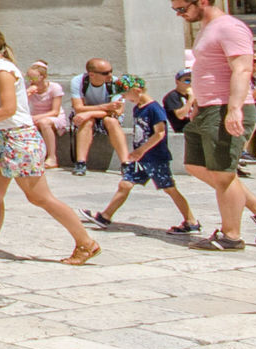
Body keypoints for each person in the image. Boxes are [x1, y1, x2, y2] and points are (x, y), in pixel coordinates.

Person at [0, 27, 99, 265]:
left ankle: (86, 243)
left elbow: (9, 109)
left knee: (40, 197)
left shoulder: (4, 71)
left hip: (18, 138)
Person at [170, 0, 256, 253]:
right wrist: (198, 101)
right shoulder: (207, 28)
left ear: (202, 2)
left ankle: (231, 236)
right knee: (196, 166)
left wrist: (234, 108)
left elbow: (243, 70)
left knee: (223, 174)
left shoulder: (230, 27)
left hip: (225, 107)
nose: (179, 14)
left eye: (181, 8)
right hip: (209, 107)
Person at [84, 76, 198, 237]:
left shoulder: (154, 109)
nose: (124, 97)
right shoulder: (138, 107)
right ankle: (105, 217)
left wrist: (141, 150)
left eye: (125, 94)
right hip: (141, 158)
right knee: (125, 184)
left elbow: (159, 133)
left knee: (169, 188)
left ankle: (191, 221)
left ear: (136, 91)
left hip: (155, 157)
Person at [67, 58, 130, 170]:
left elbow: (118, 111)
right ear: (91, 74)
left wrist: (89, 113)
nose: (110, 75)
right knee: (86, 122)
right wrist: (104, 107)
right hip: (92, 114)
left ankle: (125, 163)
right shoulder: (78, 81)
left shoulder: (116, 83)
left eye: (111, 71)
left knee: (111, 121)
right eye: (105, 73)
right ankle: (80, 162)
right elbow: (78, 108)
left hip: (106, 116)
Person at [23, 63, 68, 168]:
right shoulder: (28, 88)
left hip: (53, 117)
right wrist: (26, 94)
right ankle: (31, 157)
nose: (30, 80)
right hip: (35, 115)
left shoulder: (54, 88)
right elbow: (20, 106)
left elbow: (55, 111)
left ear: (42, 77)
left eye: (33, 77)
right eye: (28, 77)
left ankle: (52, 157)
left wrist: (36, 117)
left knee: (44, 123)